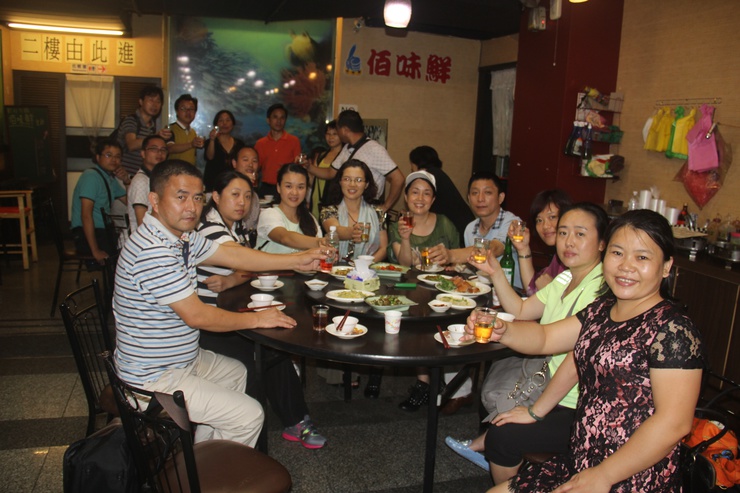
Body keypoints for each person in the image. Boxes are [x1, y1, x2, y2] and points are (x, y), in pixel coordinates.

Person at [481, 209, 704, 493]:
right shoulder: (601, 310)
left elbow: (674, 423)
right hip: (582, 459)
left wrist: (604, 475)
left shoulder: (673, 331)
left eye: (642, 257)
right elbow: (546, 338)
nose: (626, 266)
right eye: (617, 253)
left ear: (666, 266)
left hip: (632, 472)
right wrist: (502, 329)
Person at [112, 160, 324, 448]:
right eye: (181, 197)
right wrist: (258, 319)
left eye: (197, 197)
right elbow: (198, 316)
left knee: (238, 373)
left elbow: (233, 255)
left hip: (183, 359)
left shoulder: (182, 237)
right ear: (155, 200)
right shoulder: (153, 250)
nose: (191, 207)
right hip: (153, 378)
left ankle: (204, 457)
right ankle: (214, 467)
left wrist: (296, 260)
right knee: (249, 415)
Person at [446, 203, 609, 483]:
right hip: (550, 382)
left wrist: (535, 412)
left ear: (603, 243)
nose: (568, 242)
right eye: (563, 233)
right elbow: (522, 310)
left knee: (503, 436)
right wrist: (495, 272)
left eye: (580, 234)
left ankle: (508, 472)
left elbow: (555, 346)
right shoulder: (567, 276)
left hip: (577, 403)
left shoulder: (600, 289)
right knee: (498, 396)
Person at [195, 170, 326, 449]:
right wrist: (297, 259)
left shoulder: (236, 226)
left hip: (230, 312)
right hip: (208, 323)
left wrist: (232, 279)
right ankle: (249, 432)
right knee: (257, 355)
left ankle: (296, 420)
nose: (242, 202)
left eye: (246, 196)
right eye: (234, 195)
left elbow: (245, 266)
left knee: (273, 349)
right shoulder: (209, 228)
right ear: (215, 196)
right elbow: (242, 258)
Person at [384, 170, 460, 408]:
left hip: (442, 290)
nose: (420, 198)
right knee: (415, 320)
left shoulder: (445, 224)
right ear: (406, 197)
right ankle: (425, 381)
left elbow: (457, 260)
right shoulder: (399, 225)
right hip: (409, 288)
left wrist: (450, 263)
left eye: (426, 193)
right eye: (415, 192)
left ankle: (438, 380)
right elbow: (405, 264)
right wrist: (406, 238)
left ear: (433, 199)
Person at [308, 109, 405, 213]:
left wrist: (385, 206)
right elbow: (330, 173)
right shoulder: (346, 148)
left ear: (344, 130)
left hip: (367, 208)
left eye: (337, 129)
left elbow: (398, 178)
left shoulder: (374, 148)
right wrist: (308, 166)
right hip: (346, 206)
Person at [70, 139, 129, 264]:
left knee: (128, 248)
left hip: (104, 231)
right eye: (108, 155)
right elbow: (86, 215)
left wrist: (126, 181)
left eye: (117, 156)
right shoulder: (91, 176)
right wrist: (95, 250)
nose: (113, 160)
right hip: (88, 234)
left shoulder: (109, 177)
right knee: (124, 255)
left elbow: (130, 203)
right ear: (97, 157)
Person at [320, 159, 388, 263]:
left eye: (359, 180)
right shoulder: (328, 211)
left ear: (366, 184)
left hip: (368, 269)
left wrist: (363, 265)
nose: (352, 184)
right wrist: (352, 232)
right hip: (337, 268)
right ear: (340, 182)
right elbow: (335, 230)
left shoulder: (377, 212)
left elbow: (383, 248)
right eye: (347, 179)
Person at [511, 189, 573, 296]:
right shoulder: (558, 258)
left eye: (552, 217)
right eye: (539, 220)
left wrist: (552, 290)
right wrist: (523, 249)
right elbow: (533, 290)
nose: (545, 226)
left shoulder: (574, 257)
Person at [409, 145, 474, 244]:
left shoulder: (429, 177)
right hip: (465, 226)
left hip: (457, 231)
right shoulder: (437, 173)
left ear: (417, 161)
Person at [256, 164, 323, 253]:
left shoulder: (310, 219)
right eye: (288, 186)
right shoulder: (269, 214)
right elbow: (284, 238)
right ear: (278, 187)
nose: (294, 192)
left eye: (300, 187)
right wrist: (320, 242)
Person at [118, 85, 172, 176]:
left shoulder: (152, 126)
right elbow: (131, 144)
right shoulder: (131, 120)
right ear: (141, 101)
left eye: (158, 101)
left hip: (141, 174)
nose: (154, 105)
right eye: (151, 100)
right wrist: (156, 136)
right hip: (124, 174)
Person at [254, 103, 302, 198]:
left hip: (288, 188)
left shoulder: (294, 141)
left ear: (285, 120)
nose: (279, 121)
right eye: (275, 117)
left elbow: (298, 167)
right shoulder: (260, 143)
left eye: (282, 118)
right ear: (268, 120)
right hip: (266, 188)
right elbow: (256, 167)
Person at [127, 135, 168, 232]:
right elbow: (142, 223)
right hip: (145, 237)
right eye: (154, 149)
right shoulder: (141, 181)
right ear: (143, 153)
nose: (159, 153)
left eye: (163, 150)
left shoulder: (156, 179)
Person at [203, 110, 244, 192]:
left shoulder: (240, 144)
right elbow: (209, 157)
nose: (224, 123)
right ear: (216, 125)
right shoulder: (210, 142)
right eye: (221, 120)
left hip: (234, 184)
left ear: (233, 124)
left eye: (228, 120)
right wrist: (212, 140)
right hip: (213, 184)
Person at [309, 120, 342, 218]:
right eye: (328, 134)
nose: (331, 137)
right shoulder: (321, 155)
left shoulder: (344, 156)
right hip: (316, 198)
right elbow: (313, 181)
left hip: (334, 200)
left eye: (335, 134)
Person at [166, 94, 204, 165]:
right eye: (183, 109)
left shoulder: (193, 132)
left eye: (191, 109)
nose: (188, 112)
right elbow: (170, 148)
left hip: (190, 170)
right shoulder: (170, 129)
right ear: (177, 111)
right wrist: (191, 144)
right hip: (174, 170)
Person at [231, 145, 261, 231]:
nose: (250, 164)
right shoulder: (227, 189)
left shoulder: (254, 196)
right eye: (245, 160)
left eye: (254, 161)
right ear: (234, 163)